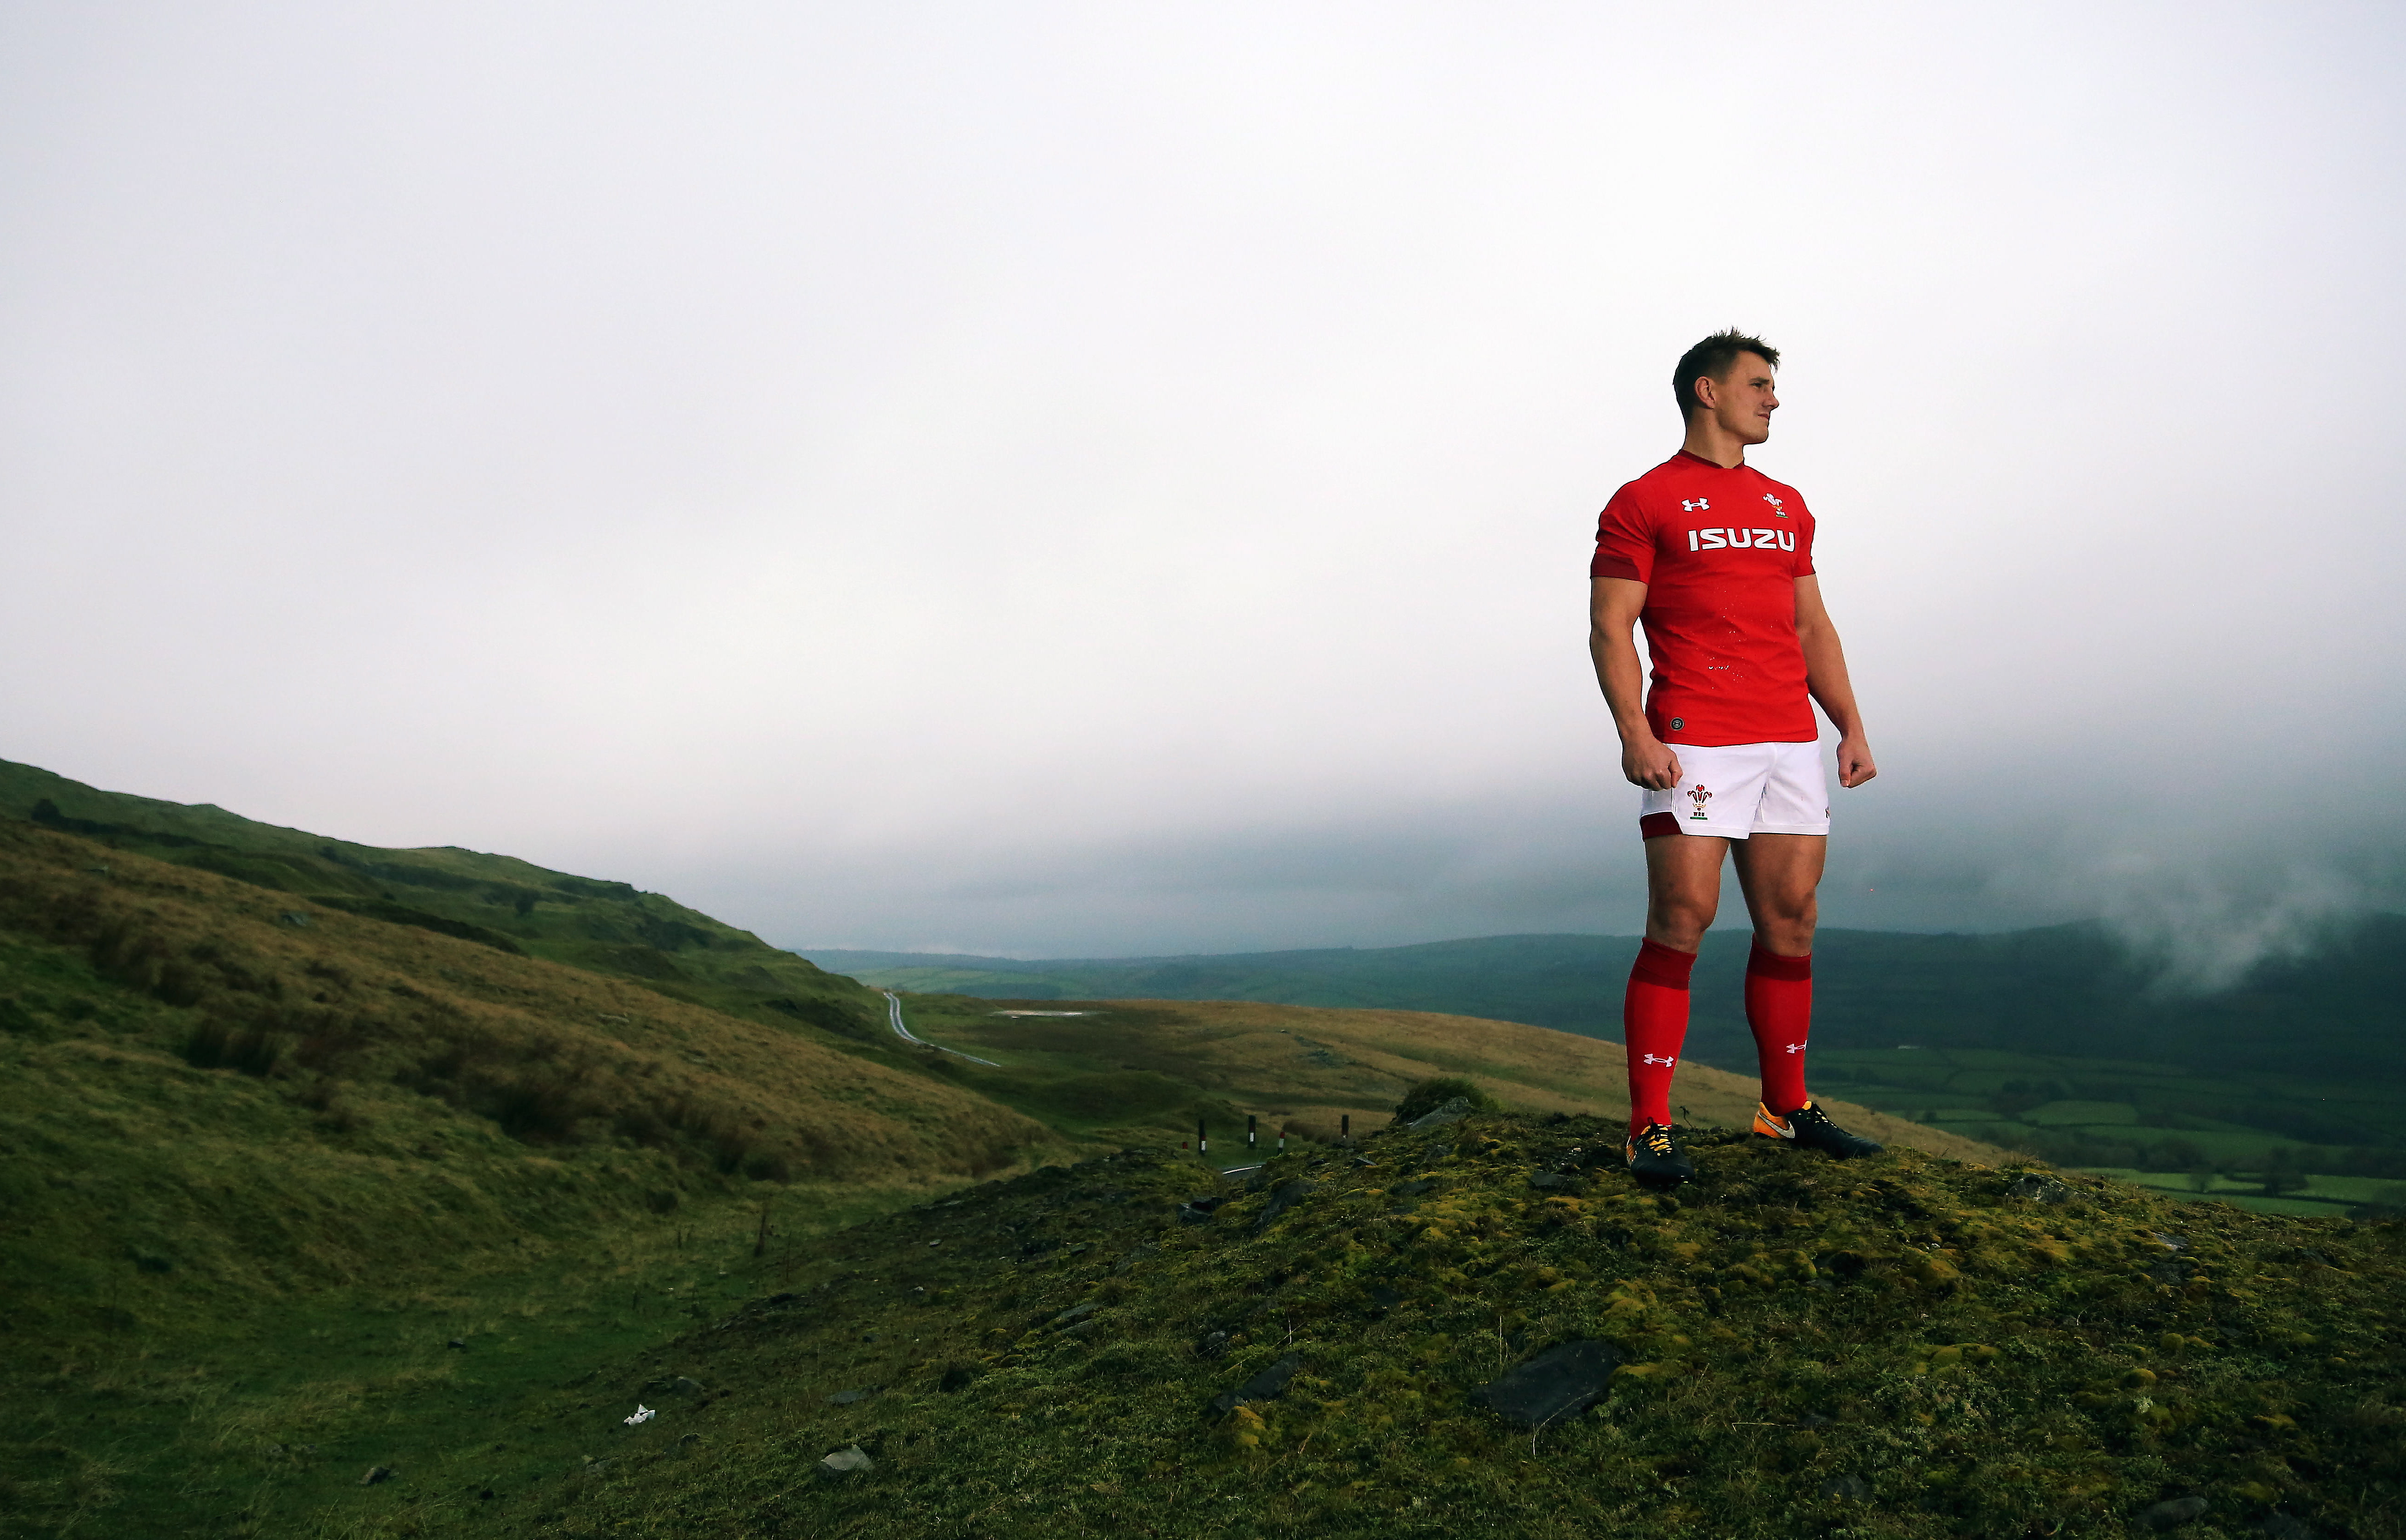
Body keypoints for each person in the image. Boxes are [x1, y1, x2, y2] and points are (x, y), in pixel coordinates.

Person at [1588, 329, 1886, 1186]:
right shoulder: (1643, 500)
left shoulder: (1785, 503)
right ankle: (1649, 1125)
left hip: (1786, 736)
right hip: (1693, 733)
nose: (1774, 399)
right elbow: (1612, 626)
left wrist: (1849, 726)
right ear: (1707, 392)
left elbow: (1810, 626)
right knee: (1683, 917)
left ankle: (1784, 1109)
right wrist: (1633, 734)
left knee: (1791, 920)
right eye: (1759, 384)